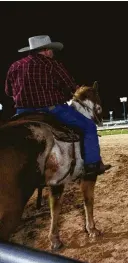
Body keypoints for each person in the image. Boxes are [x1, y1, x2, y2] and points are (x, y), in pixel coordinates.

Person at [4, 35, 110, 177]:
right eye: (52, 50)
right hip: (51, 109)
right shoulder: (52, 64)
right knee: (89, 127)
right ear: (46, 50)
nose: (53, 53)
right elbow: (72, 88)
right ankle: (92, 165)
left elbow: (8, 91)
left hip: (22, 111)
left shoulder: (15, 66)